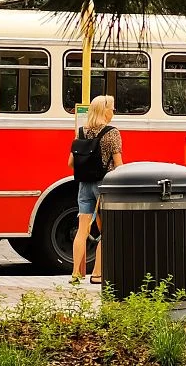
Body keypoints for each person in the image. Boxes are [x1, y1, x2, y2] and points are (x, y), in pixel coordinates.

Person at [67, 95, 123, 284]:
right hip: (103, 185)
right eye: (112, 109)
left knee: (82, 230)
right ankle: (97, 274)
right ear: (104, 110)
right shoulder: (111, 132)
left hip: (84, 185)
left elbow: (70, 163)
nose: (113, 112)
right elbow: (119, 165)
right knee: (106, 231)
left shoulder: (81, 132)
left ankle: (76, 273)